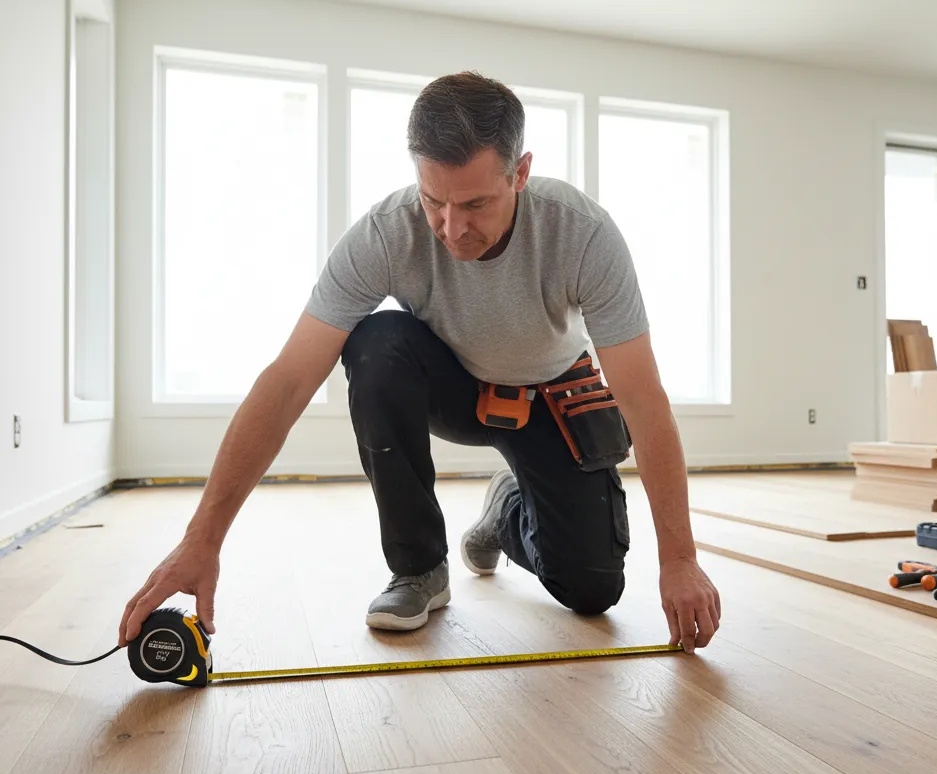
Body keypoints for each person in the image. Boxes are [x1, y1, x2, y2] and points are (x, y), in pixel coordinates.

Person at [119, 72, 721, 654]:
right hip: (453, 387)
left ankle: (507, 510)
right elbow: (286, 383)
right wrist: (201, 541)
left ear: (522, 173)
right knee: (376, 341)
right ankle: (419, 569)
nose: (452, 228)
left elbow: (643, 397)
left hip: (550, 398)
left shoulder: (583, 233)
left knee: (592, 590)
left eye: (477, 204)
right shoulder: (385, 234)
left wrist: (681, 561)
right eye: (434, 201)